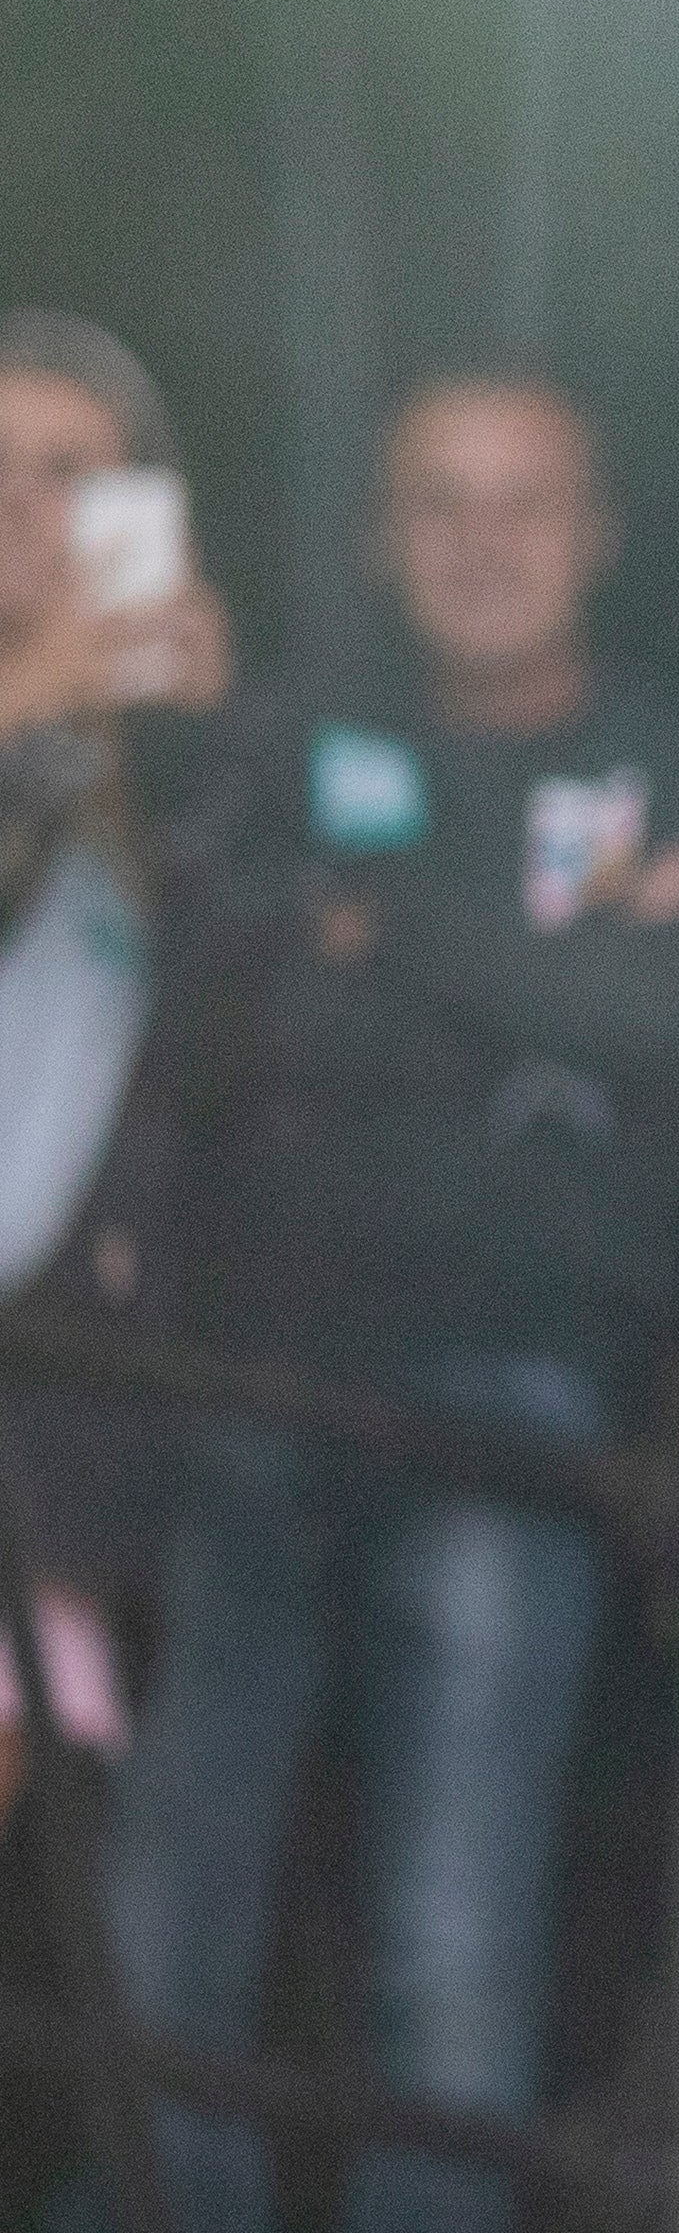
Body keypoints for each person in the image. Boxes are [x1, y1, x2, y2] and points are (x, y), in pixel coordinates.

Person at [108, 370, 679, 2233]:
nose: (482, 544)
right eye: (437, 505)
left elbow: (665, 1026)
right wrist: (522, 982)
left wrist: (383, 924)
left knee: (450, 1953)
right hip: (254, 1371)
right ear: (389, 534)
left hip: (512, 1396)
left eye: (523, 506)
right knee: (158, 1940)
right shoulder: (295, 735)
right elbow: (211, 1022)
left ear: (595, 531)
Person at [0, 310, 235, 1807]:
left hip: (43, 1397)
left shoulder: (160, 776)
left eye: (71, 473)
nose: (25, 507)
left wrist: (213, 757)